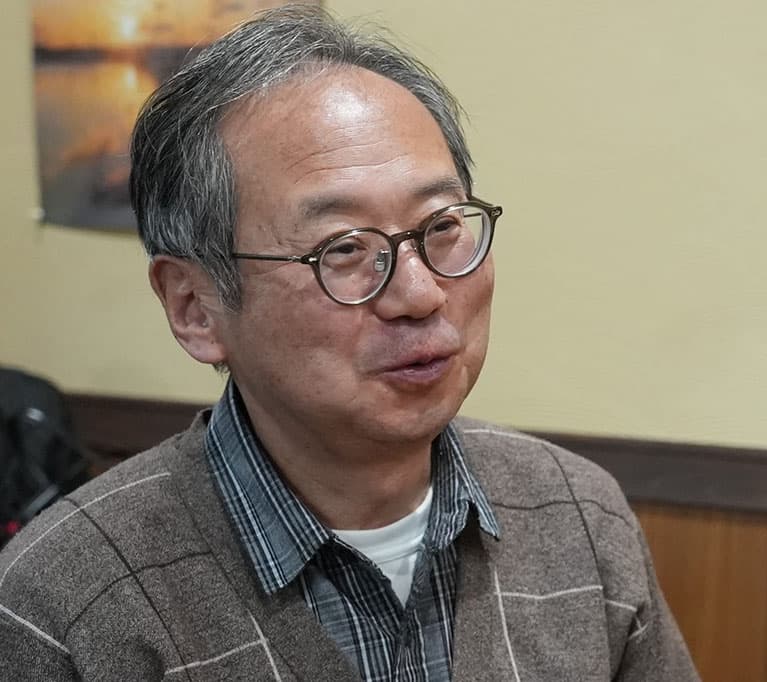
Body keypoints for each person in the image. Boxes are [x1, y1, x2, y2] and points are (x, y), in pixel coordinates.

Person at [0, 5, 699, 680]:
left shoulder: (578, 517)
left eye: (441, 226)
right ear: (194, 307)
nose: (420, 293)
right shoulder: (58, 607)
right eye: (343, 248)